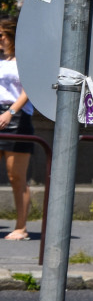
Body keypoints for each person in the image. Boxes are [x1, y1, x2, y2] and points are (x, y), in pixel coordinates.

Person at [0, 18, 33, 240]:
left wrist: (10, 112)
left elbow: (29, 88)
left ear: (11, 35)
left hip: (17, 117)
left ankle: (21, 227)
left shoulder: (25, 59)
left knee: (16, 176)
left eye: (1, 35)